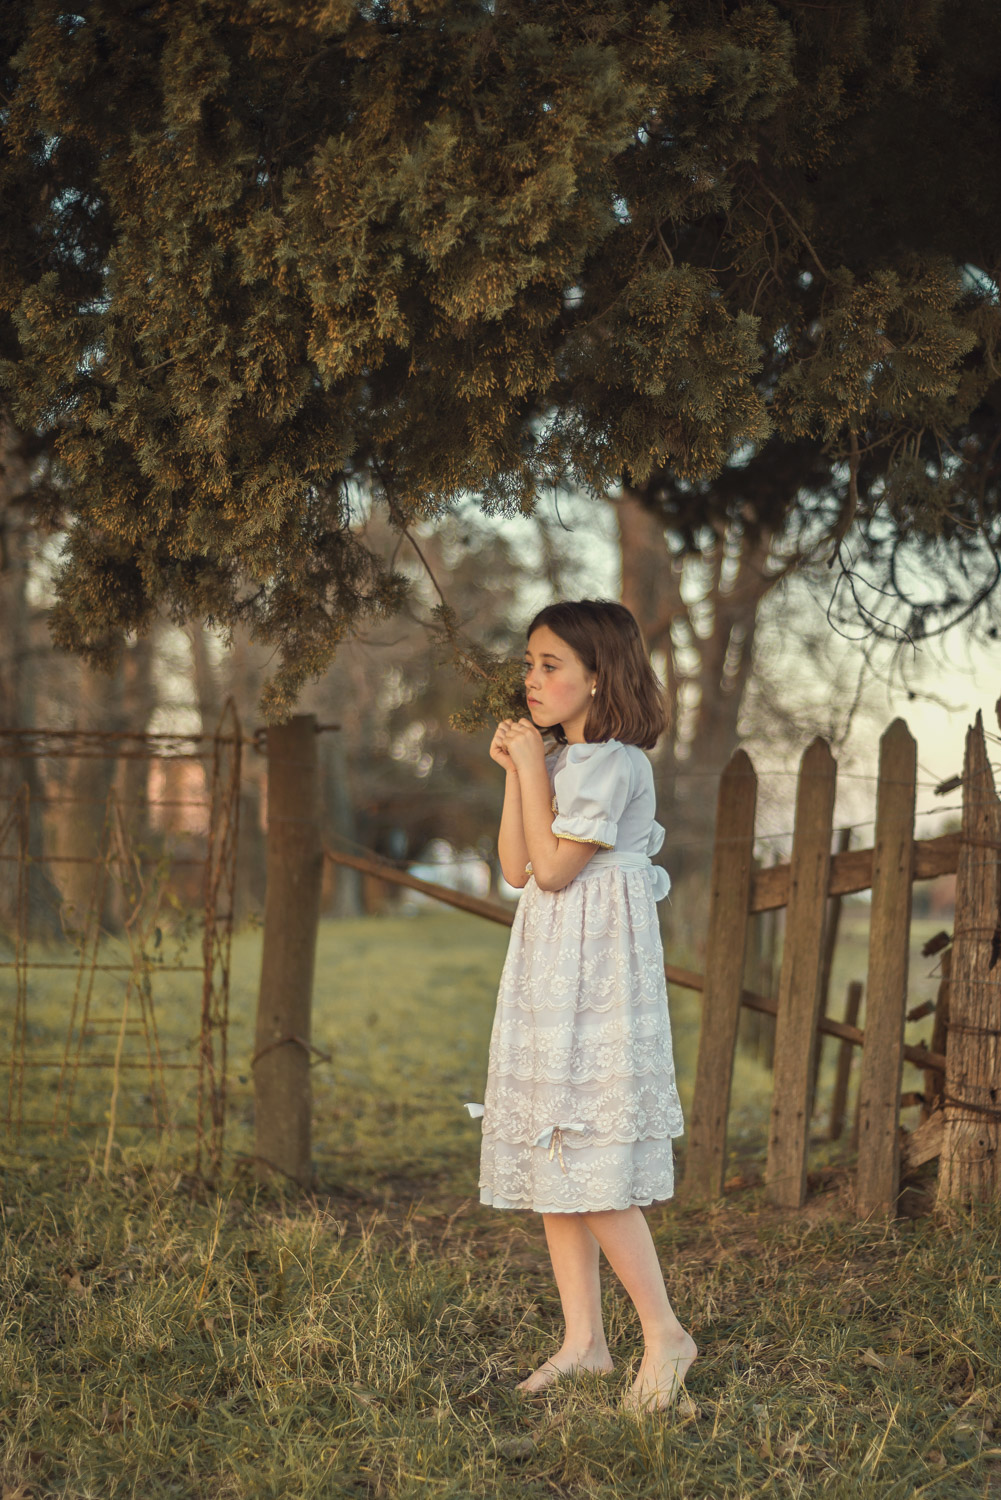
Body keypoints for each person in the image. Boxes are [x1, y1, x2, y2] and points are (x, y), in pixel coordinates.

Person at [471, 598, 696, 1413]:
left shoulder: (614, 762)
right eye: (529, 663)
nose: (530, 679)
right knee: (552, 1150)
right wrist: (518, 773)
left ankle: (665, 1332)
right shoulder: (562, 762)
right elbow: (515, 867)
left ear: (598, 677)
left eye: (549, 665)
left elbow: (561, 869)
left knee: (592, 1158)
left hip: (596, 973)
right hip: (546, 965)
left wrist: (534, 769)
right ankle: (585, 1343)